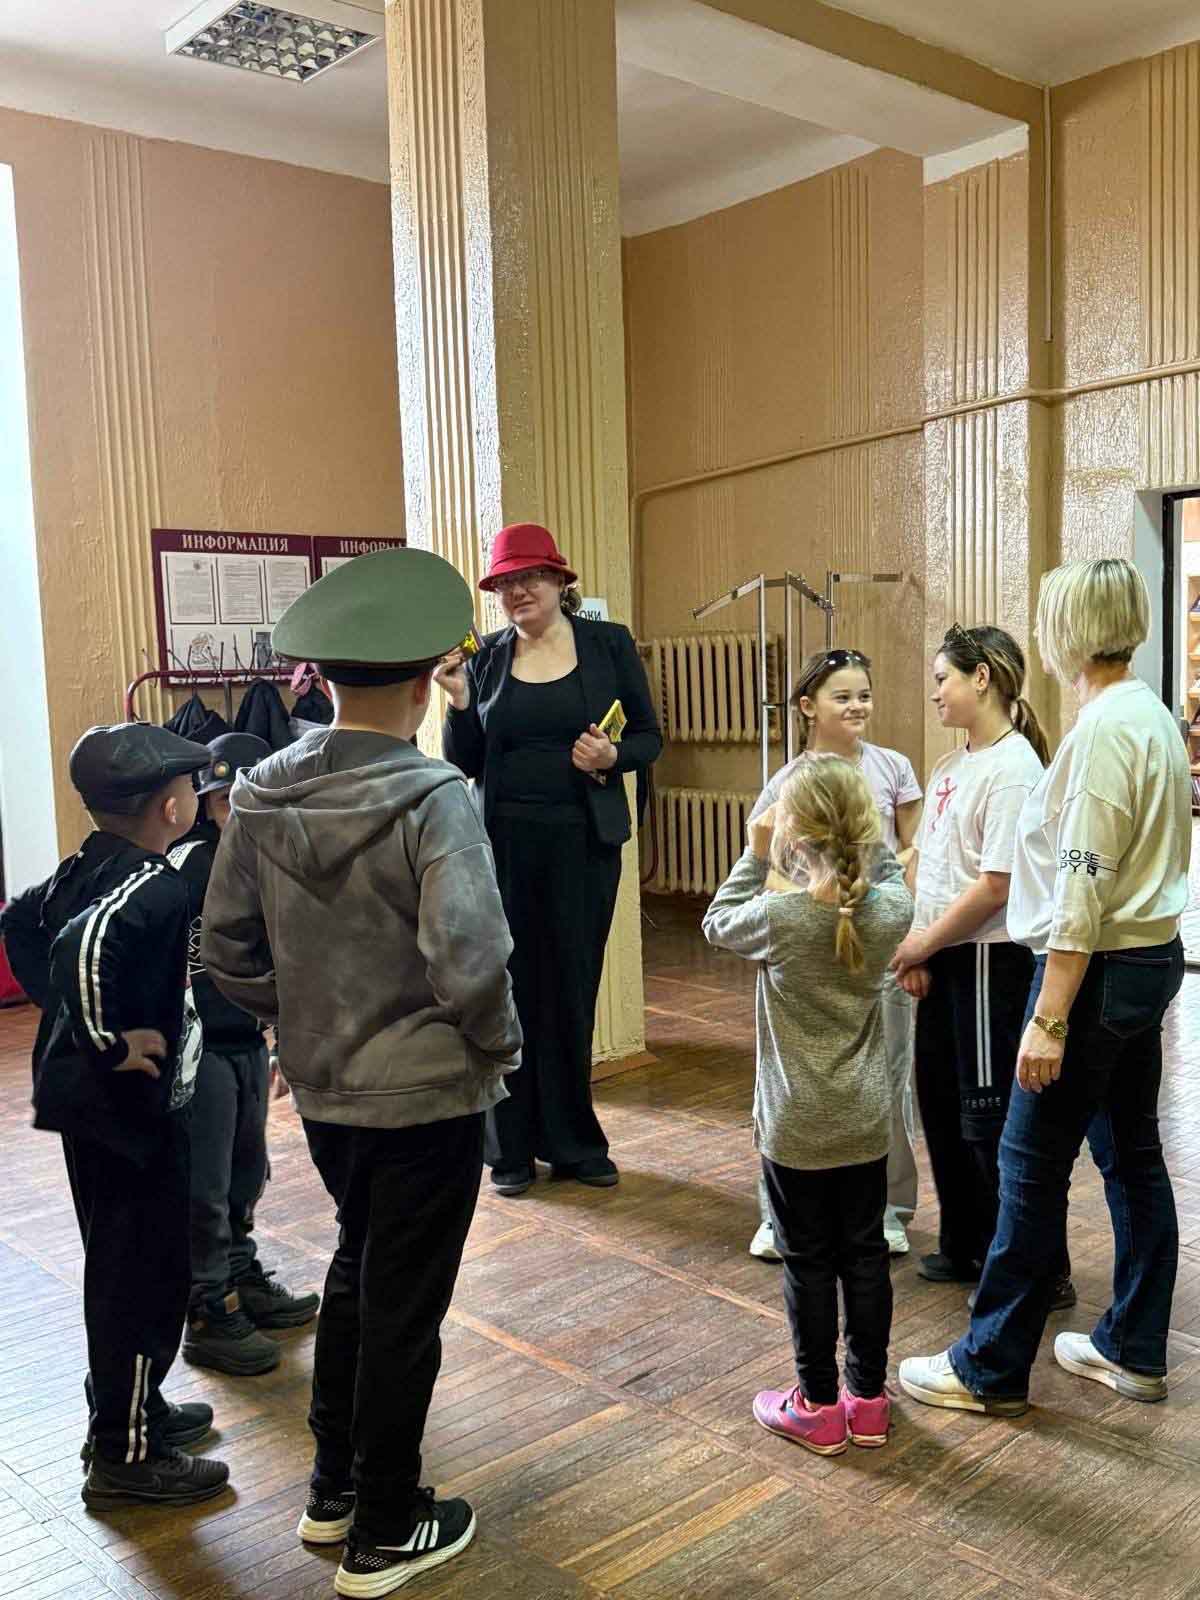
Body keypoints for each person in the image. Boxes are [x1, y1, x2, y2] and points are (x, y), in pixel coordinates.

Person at [201, 547, 522, 1598]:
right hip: (427, 1093)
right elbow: (470, 958)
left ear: (327, 678)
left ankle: (333, 1486)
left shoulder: (261, 790)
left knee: (360, 1266)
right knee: (404, 1305)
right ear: (429, 680)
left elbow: (225, 948)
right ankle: (385, 1526)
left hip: (328, 1090)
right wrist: (496, 1048)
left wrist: (297, 1022)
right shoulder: (436, 796)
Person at [901, 559, 1190, 1415]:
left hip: (1093, 973)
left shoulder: (1103, 732)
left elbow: (1082, 886)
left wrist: (1050, 1017)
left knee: (1027, 1166)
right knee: (1132, 1155)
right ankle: (1132, 1346)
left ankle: (989, 1367)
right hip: (1144, 961)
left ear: (1072, 628)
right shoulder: (1151, 714)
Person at [0, 724, 230, 1510]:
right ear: (170, 807)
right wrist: (105, 1040)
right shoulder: (151, 886)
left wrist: (64, 1018)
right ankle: (124, 1456)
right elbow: (83, 946)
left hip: (99, 1112)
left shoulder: (86, 863)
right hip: (126, 1119)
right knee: (140, 1279)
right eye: (191, 788)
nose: (196, 798)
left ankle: (137, 1409)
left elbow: (18, 922)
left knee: (127, 1266)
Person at [437, 522, 662, 1196]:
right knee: (508, 990)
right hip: (503, 847)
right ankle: (508, 1148)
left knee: (571, 989)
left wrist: (613, 755)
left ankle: (573, 1143)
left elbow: (649, 736)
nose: (517, 592)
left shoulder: (607, 644)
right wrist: (458, 705)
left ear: (561, 582)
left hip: (583, 846)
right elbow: (466, 761)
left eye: (530, 577)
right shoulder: (486, 657)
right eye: (505, 583)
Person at [703, 759, 913, 1453]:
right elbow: (888, 876)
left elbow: (715, 921)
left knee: (808, 1262)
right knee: (866, 1254)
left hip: (795, 1124)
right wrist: (868, 837)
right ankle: (869, 1401)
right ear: (866, 828)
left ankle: (818, 1406)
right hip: (864, 1118)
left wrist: (756, 850)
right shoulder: (892, 911)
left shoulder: (779, 917)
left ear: (795, 832)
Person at [890, 624, 1075, 1309]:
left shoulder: (1014, 767)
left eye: (943, 677)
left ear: (982, 678)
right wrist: (919, 946)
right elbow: (930, 864)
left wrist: (925, 944)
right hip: (946, 954)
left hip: (988, 963)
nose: (935, 691)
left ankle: (1035, 1271)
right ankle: (968, 1244)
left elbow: (995, 885)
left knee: (988, 1121)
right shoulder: (950, 765)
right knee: (939, 1104)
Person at [746, 646, 923, 1261]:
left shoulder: (893, 767)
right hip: (806, 949)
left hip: (873, 944)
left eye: (864, 695)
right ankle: (778, 1214)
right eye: (842, 696)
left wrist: (891, 923)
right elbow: (765, 859)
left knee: (889, 1077)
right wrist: (805, 911)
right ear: (807, 706)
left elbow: (911, 853)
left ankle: (889, 1209)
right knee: (780, 1082)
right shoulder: (786, 781)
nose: (857, 706)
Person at [169, 732, 320, 1378]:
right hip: (201, 1046)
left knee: (246, 1171)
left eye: (248, 798)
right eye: (223, 801)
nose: (237, 812)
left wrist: (280, 1038)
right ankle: (208, 1308)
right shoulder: (189, 867)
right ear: (206, 805)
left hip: (248, 1040)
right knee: (204, 1185)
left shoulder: (274, 861)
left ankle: (239, 1274)